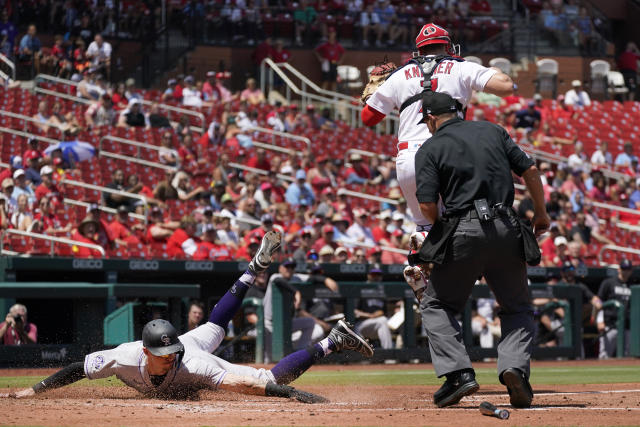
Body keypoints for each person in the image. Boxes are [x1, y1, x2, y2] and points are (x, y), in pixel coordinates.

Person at [1, 232, 372, 400]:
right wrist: (32, 391)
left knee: (265, 374)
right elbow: (76, 369)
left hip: (196, 348)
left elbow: (253, 386)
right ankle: (252, 270)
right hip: (187, 343)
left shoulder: (190, 361)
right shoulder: (125, 356)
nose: (168, 359)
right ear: (146, 354)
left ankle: (331, 340)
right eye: (161, 356)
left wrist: (288, 392)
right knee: (213, 324)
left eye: (169, 353)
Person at [410, 91, 550, 408]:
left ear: (430, 118)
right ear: (458, 111)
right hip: (506, 226)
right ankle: (514, 368)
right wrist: (540, 213)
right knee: (517, 308)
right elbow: (529, 170)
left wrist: (442, 228)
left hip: (462, 228)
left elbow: (428, 205)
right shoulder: (493, 130)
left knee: (437, 305)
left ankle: (459, 374)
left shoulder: (429, 148)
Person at [361, 22, 513, 236]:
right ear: (447, 46)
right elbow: (506, 88)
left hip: (410, 158)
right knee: (463, 224)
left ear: (420, 49)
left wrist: (373, 96)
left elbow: (368, 118)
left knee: (425, 227)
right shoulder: (461, 66)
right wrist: (493, 71)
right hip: (449, 154)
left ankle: (419, 255)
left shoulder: (399, 75)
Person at [597, 259, 633, 359]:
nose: (626, 272)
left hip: (627, 326)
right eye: (624, 269)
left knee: (628, 356)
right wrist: (600, 320)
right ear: (619, 269)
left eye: (628, 269)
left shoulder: (633, 285)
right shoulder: (609, 283)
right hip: (610, 324)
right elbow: (599, 302)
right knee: (605, 356)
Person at [354, 266, 393, 349]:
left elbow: (385, 311)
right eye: (373, 275)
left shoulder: (383, 290)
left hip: (377, 325)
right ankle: (388, 353)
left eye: (378, 275)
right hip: (361, 325)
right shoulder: (361, 288)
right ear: (368, 276)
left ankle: (388, 354)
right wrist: (370, 316)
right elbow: (353, 311)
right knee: (382, 320)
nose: (376, 277)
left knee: (384, 320)